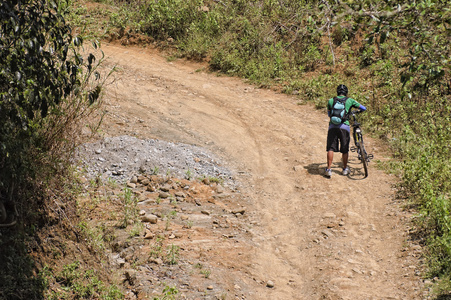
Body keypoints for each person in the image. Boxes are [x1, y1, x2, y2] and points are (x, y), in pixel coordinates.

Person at [325, 84, 366, 177]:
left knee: (330, 148)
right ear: (346, 93)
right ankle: (344, 169)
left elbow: (329, 115)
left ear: (337, 92)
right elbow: (363, 108)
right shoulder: (350, 100)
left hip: (332, 127)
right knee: (344, 149)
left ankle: (328, 169)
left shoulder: (331, 100)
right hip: (344, 127)